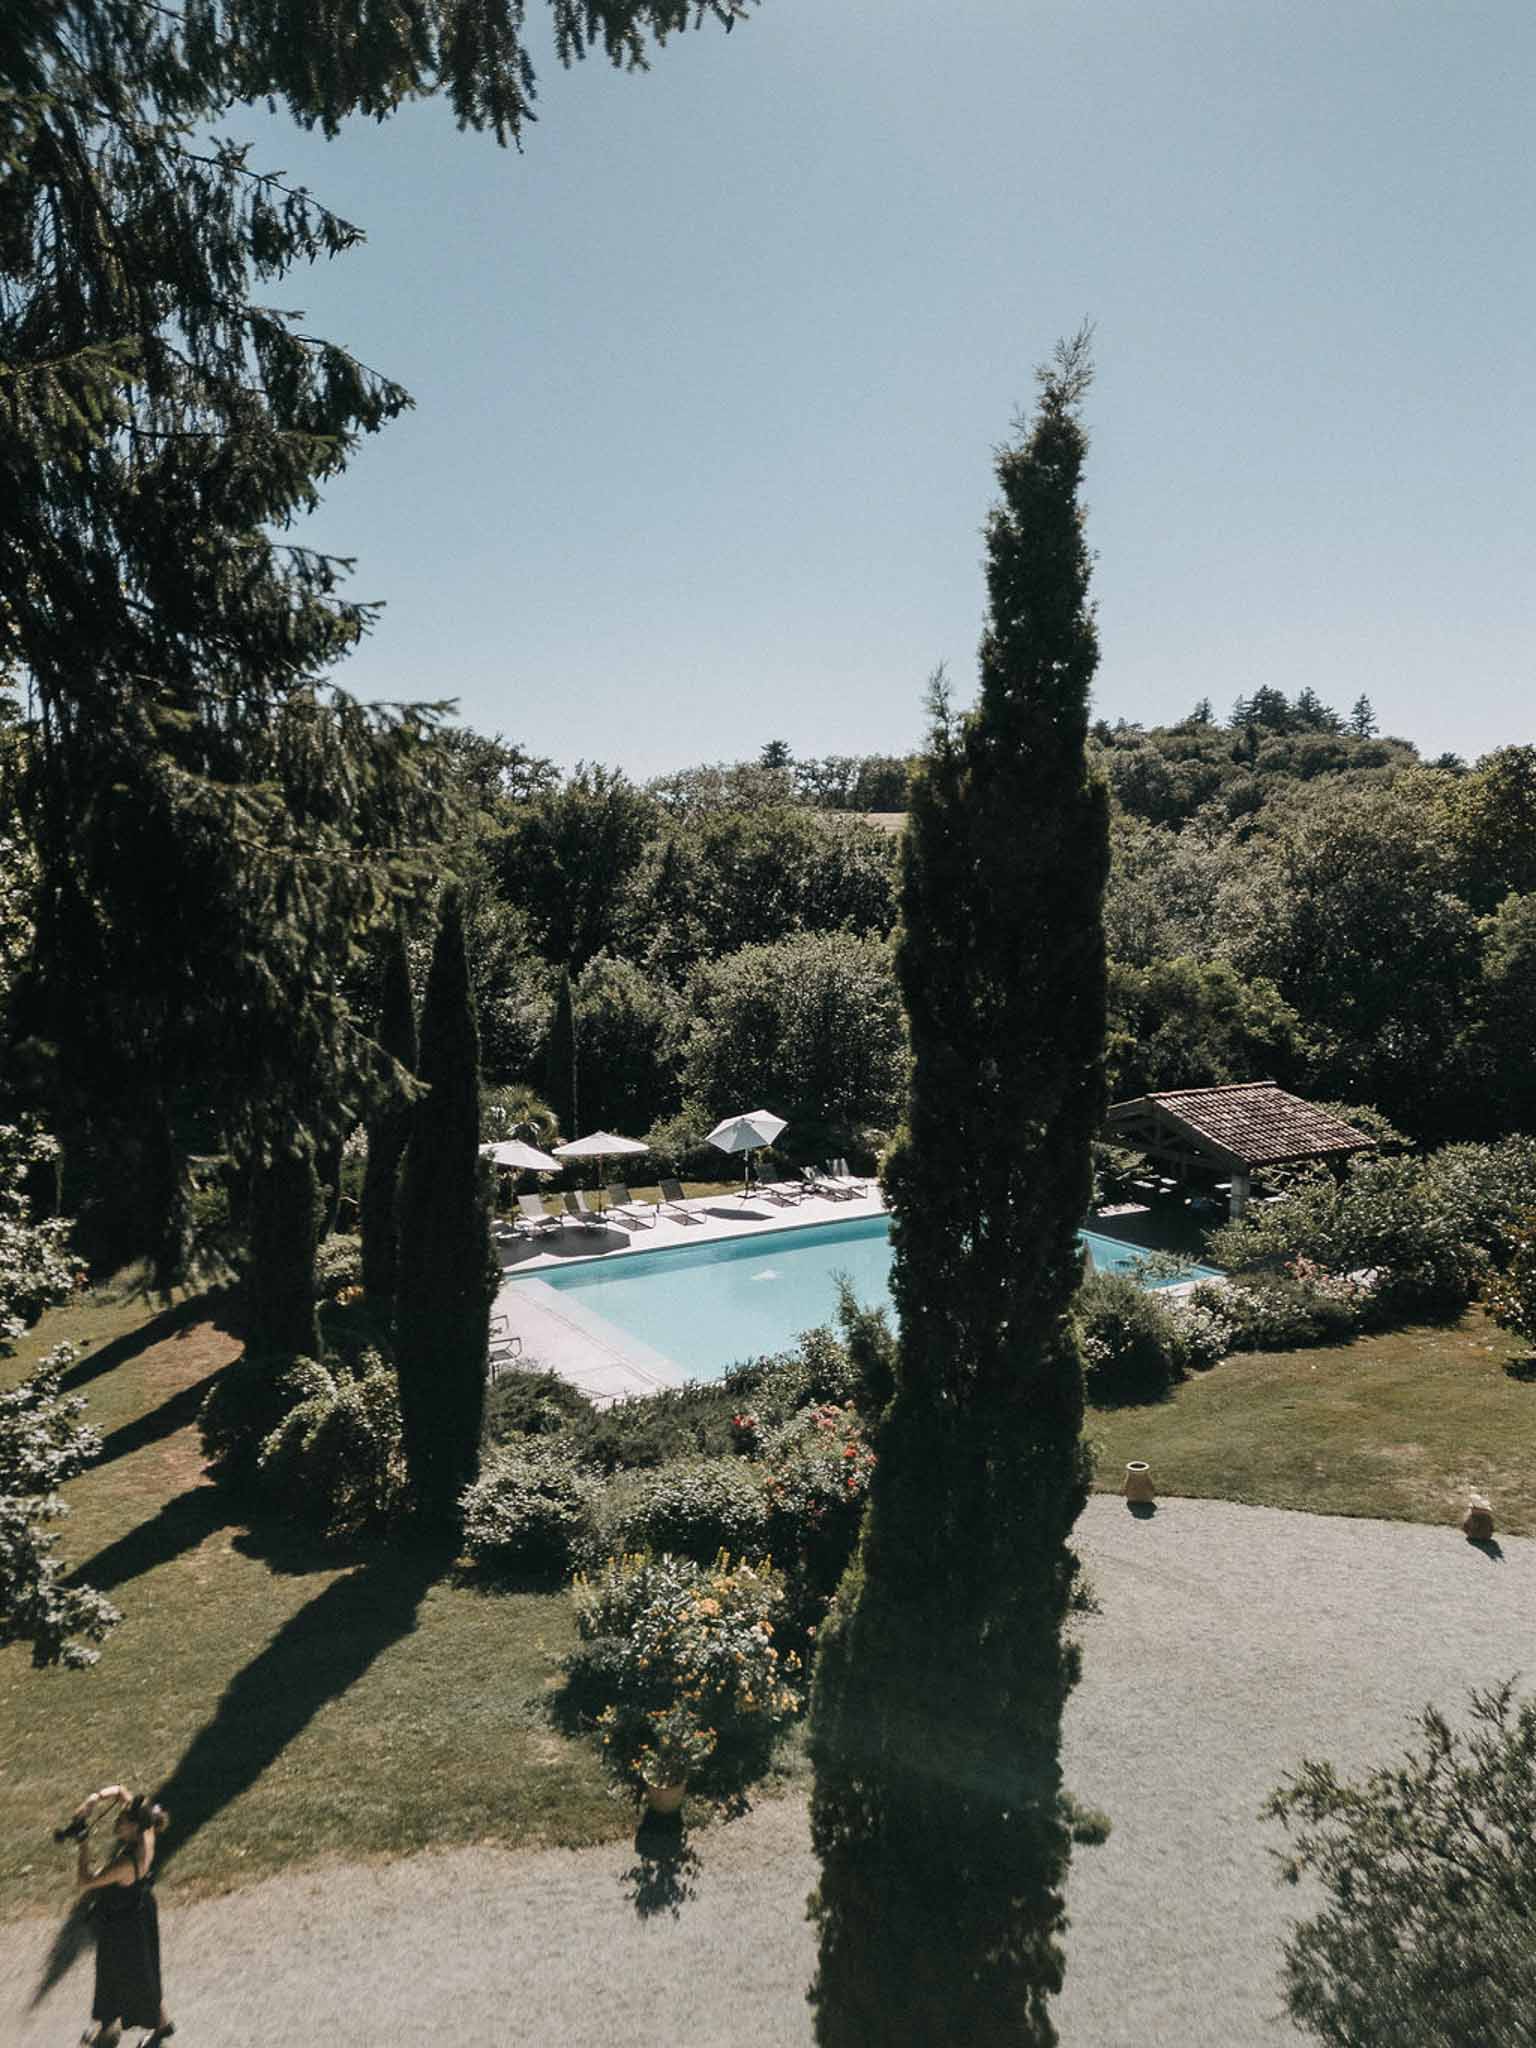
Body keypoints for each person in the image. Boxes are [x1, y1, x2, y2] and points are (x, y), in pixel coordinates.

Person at [67, 1783, 175, 2046]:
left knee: (112, 1973)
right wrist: (94, 1799)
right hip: (141, 1911)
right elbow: (120, 1791)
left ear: (134, 1827)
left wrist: (83, 1844)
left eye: (122, 1820)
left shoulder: (127, 1863)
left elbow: (85, 1881)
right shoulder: (147, 1826)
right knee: (146, 1970)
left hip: (123, 1923)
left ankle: (107, 2034)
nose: (118, 1821)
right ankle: (162, 2025)